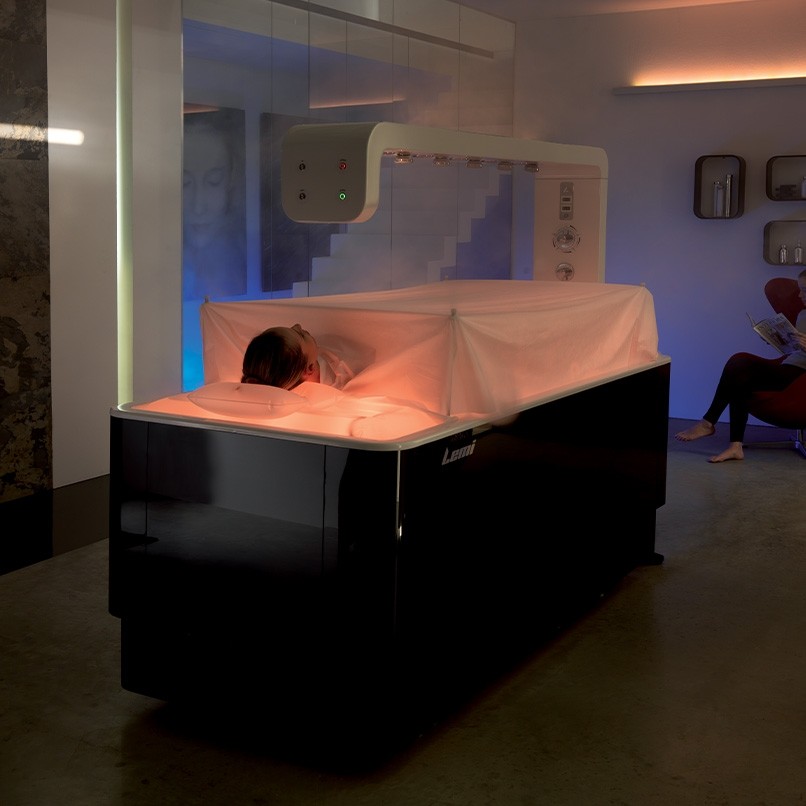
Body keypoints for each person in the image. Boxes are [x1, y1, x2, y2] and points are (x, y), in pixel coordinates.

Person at [675, 269, 806, 462]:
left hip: (800, 378)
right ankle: (733, 446)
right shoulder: (803, 314)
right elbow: (795, 349)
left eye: (805, 290)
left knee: (740, 375)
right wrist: (777, 339)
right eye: (800, 289)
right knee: (738, 363)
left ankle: (710, 424)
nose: (800, 295)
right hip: (788, 367)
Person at [241, 323, 366, 391]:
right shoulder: (343, 379)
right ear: (309, 368)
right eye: (300, 335)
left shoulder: (303, 361)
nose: (298, 325)